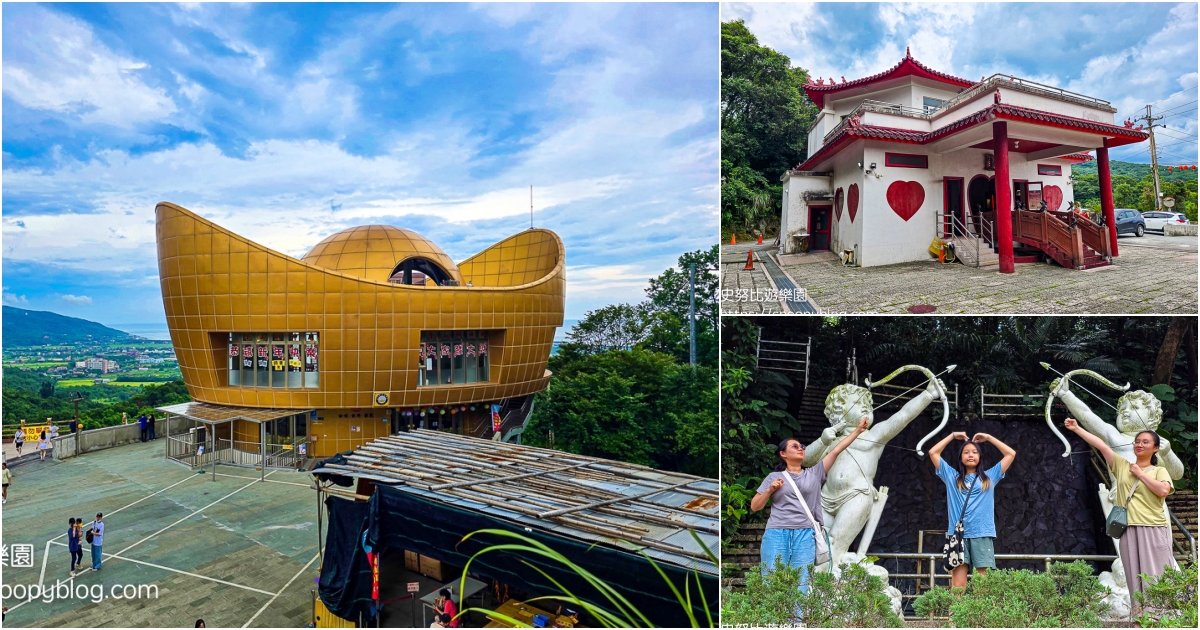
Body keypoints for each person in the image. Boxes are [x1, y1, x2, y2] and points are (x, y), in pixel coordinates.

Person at [751, 417, 870, 600]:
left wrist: (857, 431)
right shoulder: (774, 477)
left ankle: (797, 618)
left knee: (802, 582)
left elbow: (836, 450)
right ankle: (774, 617)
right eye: (794, 446)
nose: (801, 448)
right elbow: (755, 506)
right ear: (783, 454)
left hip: (805, 535)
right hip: (776, 533)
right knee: (772, 581)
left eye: (802, 446)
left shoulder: (815, 473)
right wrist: (769, 490)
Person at [1065, 417, 1174, 616]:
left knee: (1155, 576)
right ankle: (1138, 619)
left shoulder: (1159, 470)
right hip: (1128, 529)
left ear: (1156, 448)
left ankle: (1156, 618)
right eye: (1137, 441)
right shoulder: (1122, 465)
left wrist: (1140, 474)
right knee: (1133, 578)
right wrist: (1077, 428)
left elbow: (1163, 490)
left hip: (1153, 528)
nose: (1139, 444)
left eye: (1146, 442)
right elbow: (1101, 445)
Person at [927, 431, 1017, 588]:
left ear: (980, 457)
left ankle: (979, 607)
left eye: (975, 452)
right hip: (958, 536)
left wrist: (988, 438)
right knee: (958, 585)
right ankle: (956, 607)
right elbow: (933, 452)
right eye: (966, 452)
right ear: (960, 457)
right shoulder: (951, 477)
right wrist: (953, 436)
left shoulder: (989, 477)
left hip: (981, 534)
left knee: (982, 584)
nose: (970, 455)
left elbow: (1010, 454)